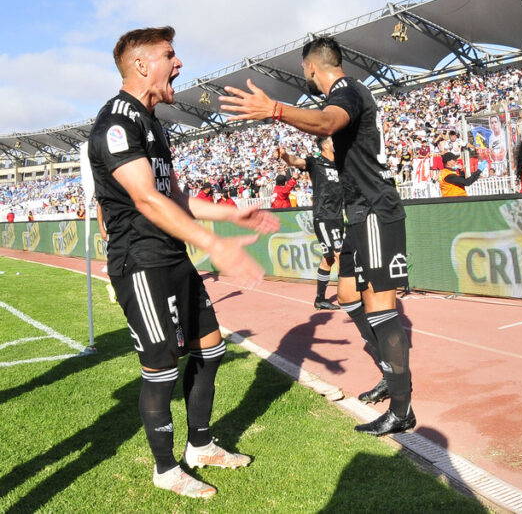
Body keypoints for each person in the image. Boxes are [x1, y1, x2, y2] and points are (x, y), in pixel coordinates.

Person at [88, 26, 279, 498]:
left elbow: (175, 196)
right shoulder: (115, 123)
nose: (179, 65)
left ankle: (201, 445)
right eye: (170, 56)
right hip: (141, 262)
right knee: (161, 366)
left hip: (172, 257)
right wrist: (214, 246)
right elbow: (148, 201)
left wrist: (232, 214)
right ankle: (165, 468)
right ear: (140, 65)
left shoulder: (152, 122)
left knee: (210, 349)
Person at [221, 35, 415, 436]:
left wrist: (275, 109)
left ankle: (401, 408)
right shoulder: (348, 94)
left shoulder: (345, 91)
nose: (303, 77)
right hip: (359, 214)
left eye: (302, 71)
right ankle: (387, 371)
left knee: (381, 310)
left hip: (376, 210)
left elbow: (328, 122)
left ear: (312, 66)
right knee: (347, 297)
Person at [277, 138, 346, 310]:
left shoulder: (339, 162)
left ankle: (320, 299)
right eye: (332, 140)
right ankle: (348, 296)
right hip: (323, 216)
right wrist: (285, 156)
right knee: (339, 255)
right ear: (325, 145)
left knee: (329, 258)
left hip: (337, 216)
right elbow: (296, 161)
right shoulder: (315, 162)